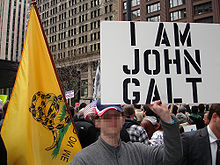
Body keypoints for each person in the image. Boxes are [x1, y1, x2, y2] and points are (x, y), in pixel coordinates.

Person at [71, 100, 182, 165]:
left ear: (123, 120)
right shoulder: (83, 160)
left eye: (116, 116)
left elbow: (173, 157)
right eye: (107, 117)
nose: (113, 120)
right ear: (97, 123)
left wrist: (167, 119)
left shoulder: (139, 151)